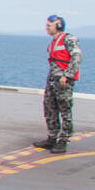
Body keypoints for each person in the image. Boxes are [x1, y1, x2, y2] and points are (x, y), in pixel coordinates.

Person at [34, 15, 81, 154]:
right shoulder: (53, 42)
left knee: (64, 109)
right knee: (49, 108)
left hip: (63, 80)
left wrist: (67, 75)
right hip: (53, 80)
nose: (47, 27)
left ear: (58, 25)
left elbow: (77, 57)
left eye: (50, 25)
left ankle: (64, 140)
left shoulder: (69, 39)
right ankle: (52, 137)